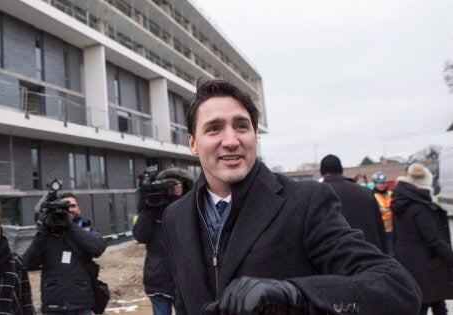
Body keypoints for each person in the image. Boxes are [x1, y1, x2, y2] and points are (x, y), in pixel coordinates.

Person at [163, 79, 421, 314]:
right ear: (193, 143)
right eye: (214, 129)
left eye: (241, 126)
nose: (231, 140)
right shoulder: (176, 216)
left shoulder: (305, 201)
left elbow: (396, 287)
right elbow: (184, 301)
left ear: (254, 135)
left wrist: (294, 295)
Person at [23, 193, 107, 315]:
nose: (70, 210)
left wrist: (69, 225)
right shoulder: (48, 235)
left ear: (79, 209)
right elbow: (27, 263)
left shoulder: (85, 230)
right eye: (65, 207)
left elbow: (98, 248)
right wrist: (43, 230)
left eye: (73, 206)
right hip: (53, 305)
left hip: (81, 304)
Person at [392, 163, 453, 315]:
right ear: (425, 182)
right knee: (427, 304)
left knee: (431, 302)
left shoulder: (401, 200)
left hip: (409, 261)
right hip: (426, 263)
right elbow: (433, 239)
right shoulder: (420, 207)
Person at [133, 167, 195, 315]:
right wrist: (148, 208)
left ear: (185, 186)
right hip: (158, 278)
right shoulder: (154, 207)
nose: (173, 189)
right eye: (169, 185)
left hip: (186, 278)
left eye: (177, 185)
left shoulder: (193, 207)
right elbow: (141, 236)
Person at [319, 154, 386, 252]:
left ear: (322, 172)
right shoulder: (367, 192)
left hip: (340, 255)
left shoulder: (320, 194)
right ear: (341, 170)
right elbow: (380, 228)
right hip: (371, 252)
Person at [372, 171, 394, 255]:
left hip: (392, 227)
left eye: (383, 182)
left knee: (392, 251)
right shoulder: (372, 195)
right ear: (375, 183)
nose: (382, 185)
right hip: (380, 228)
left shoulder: (391, 193)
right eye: (379, 183)